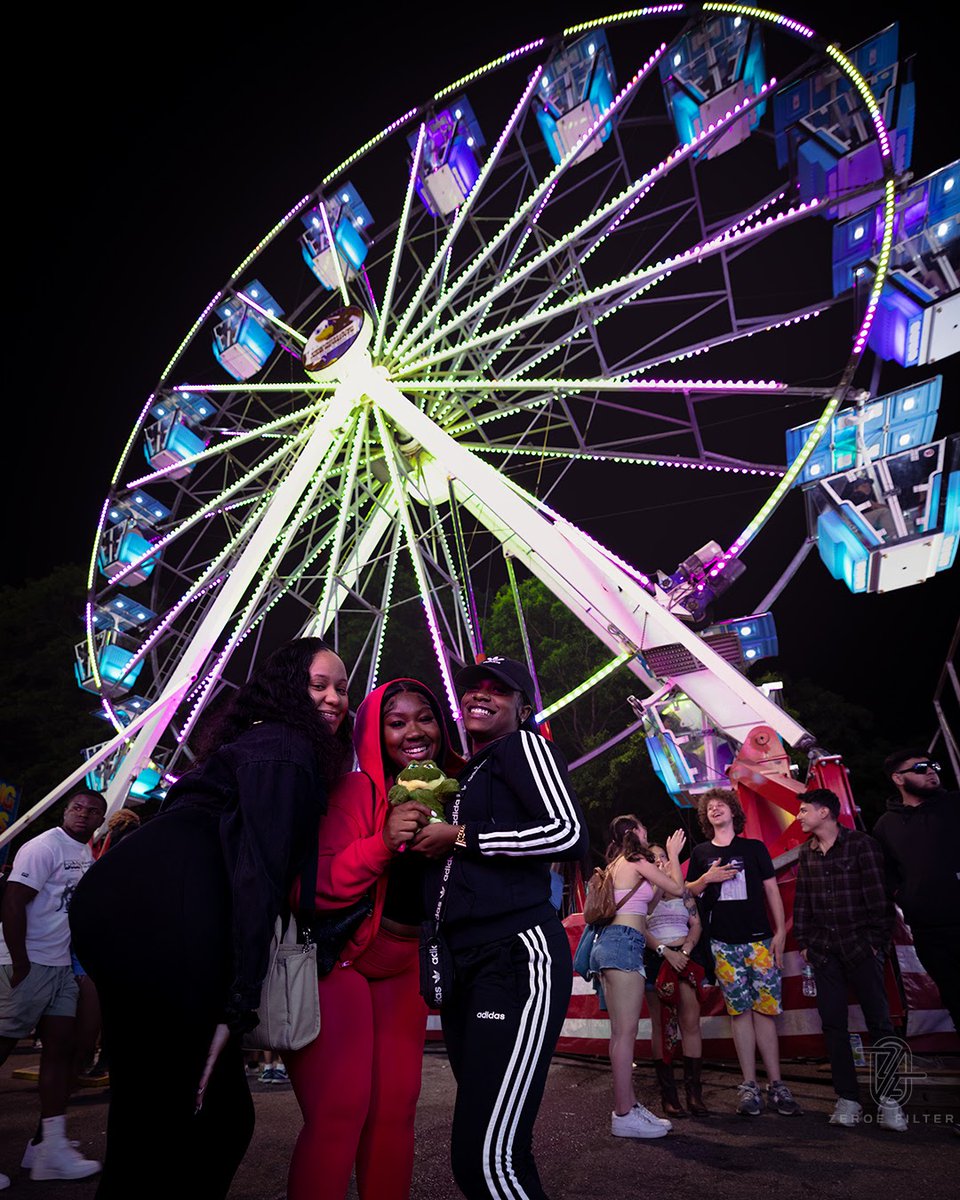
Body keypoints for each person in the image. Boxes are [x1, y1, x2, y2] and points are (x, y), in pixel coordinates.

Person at [68, 637, 352, 1200]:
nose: (334, 699)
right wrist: (237, 1006)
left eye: (342, 688)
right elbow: (260, 875)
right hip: (161, 914)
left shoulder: (257, 743)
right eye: (317, 685)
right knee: (213, 1122)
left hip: (127, 903)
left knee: (154, 1107)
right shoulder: (287, 751)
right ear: (286, 689)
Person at [411, 656, 589, 1200]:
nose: (479, 696)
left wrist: (459, 836)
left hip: (515, 954)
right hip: (469, 964)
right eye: (471, 689)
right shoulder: (469, 773)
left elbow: (566, 831)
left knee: (482, 1158)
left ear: (522, 705)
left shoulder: (524, 748)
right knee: (501, 1143)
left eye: (497, 689)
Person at [285, 678, 460, 1200]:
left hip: (407, 962)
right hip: (345, 960)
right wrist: (383, 843)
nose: (414, 731)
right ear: (372, 733)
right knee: (340, 1108)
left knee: (397, 1107)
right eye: (396, 721)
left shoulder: (454, 796)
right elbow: (310, 886)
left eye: (424, 717)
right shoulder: (354, 791)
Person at [0, 788, 107, 1186]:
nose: (83, 815)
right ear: (66, 810)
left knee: (62, 1052)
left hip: (60, 964)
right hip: (28, 961)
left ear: (101, 820)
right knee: (3, 1046)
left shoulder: (84, 854)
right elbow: (12, 902)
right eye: (77, 808)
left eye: (92, 811)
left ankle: (49, 1150)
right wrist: (21, 962)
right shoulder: (43, 847)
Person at [792, 789, 905, 1130]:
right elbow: (803, 902)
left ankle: (890, 1100)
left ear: (824, 812)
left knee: (880, 1022)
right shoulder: (806, 853)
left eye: (803, 810)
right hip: (825, 952)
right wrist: (807, 944)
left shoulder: (861, 845)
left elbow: (880, 900)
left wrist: (874, 945)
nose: (799, 816)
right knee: (833, 1024)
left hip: (860, 948)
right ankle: (848, 1098)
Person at [686, 786, 801, 1118]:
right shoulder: (701, 853)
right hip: (722, 943)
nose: (716, 809)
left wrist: (779, 933)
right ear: (706, 817)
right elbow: (687, 891)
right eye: (711, 807)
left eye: (722, 805)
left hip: (760, 941)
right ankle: (749, 1084)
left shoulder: (754, 849)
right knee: (739, 1013)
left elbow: (771, 891)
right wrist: (706, 878)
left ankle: (777, 1084)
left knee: (765, 1011)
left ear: (734, 812)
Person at [588, 816, 693, 1139]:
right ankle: (622, 1113)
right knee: (625, 1034)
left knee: (622, 1033)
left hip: (618, 943)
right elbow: (678, 888)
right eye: (644, 828)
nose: (648, 832)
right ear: (634, 833)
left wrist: (660, 875)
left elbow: (651, 902)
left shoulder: (619, 863)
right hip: (623, 944)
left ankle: (629, 1106)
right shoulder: (635, 859)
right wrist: (674, 855)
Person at [873, 750, 960, 1034]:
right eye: (921, 768)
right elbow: (887, 873)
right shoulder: (886, 825)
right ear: (898, 779)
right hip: (929, 928)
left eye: (934, 765)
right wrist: (904, 895)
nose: (931, 771)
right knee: (953, 995)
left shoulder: (954, 805)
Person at [641, 842, 708, 1118]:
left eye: (663, 858)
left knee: (690, 1023)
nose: (660, 862)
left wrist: (687, 950)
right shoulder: (645, 894)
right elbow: (641, 924)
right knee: (662, 1027)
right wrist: (665, 952)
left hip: (684, 956)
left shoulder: (684, 895)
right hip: (658, 958)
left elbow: (696, 924)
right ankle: (669, 1096)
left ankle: (694, 1094)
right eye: (653, 859)